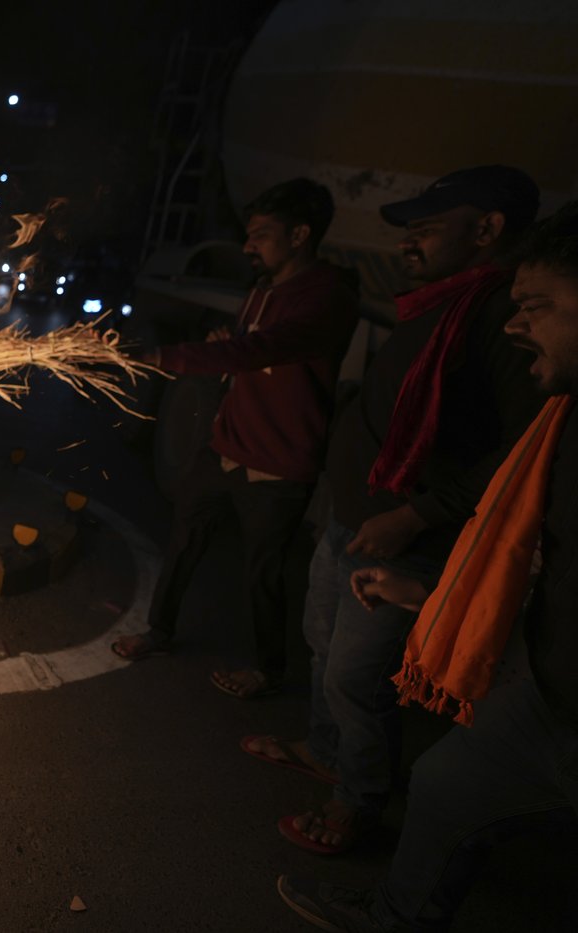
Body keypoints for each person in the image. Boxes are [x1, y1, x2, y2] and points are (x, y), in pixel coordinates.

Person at [277, 202, 578, 932]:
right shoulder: (552, 406)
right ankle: (397, 910)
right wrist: (440, 595)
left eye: (535, 307)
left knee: (373, 695)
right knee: (444, 783)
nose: (516, 323)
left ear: (485, 226)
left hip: (559, 703)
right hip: (546, 682)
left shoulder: (495, 343)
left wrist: (419, 526)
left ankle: (366, 828)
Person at [244, 166, 544, 856]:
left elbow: (515, 455)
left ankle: (358, 800)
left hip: (403, 534)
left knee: (355, 674)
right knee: (322, 641)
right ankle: (325, 751)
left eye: (427, 228)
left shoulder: (503, 316)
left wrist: (414, 518)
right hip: (355, 515)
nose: (409, 242)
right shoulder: (443, 300)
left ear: (488, 229)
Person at [111, 178, 360, 699]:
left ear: (300, 235)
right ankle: (160, 631)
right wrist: (229, 346)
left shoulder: (327, 297)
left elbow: (265, 350)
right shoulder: (262, 290)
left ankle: (268, 667)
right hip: (225, 447)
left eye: (263, 235)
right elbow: (247, 350)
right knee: (183, 542)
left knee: (264, 574)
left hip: (278, 462)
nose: (249, 246)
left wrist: (164, 356)